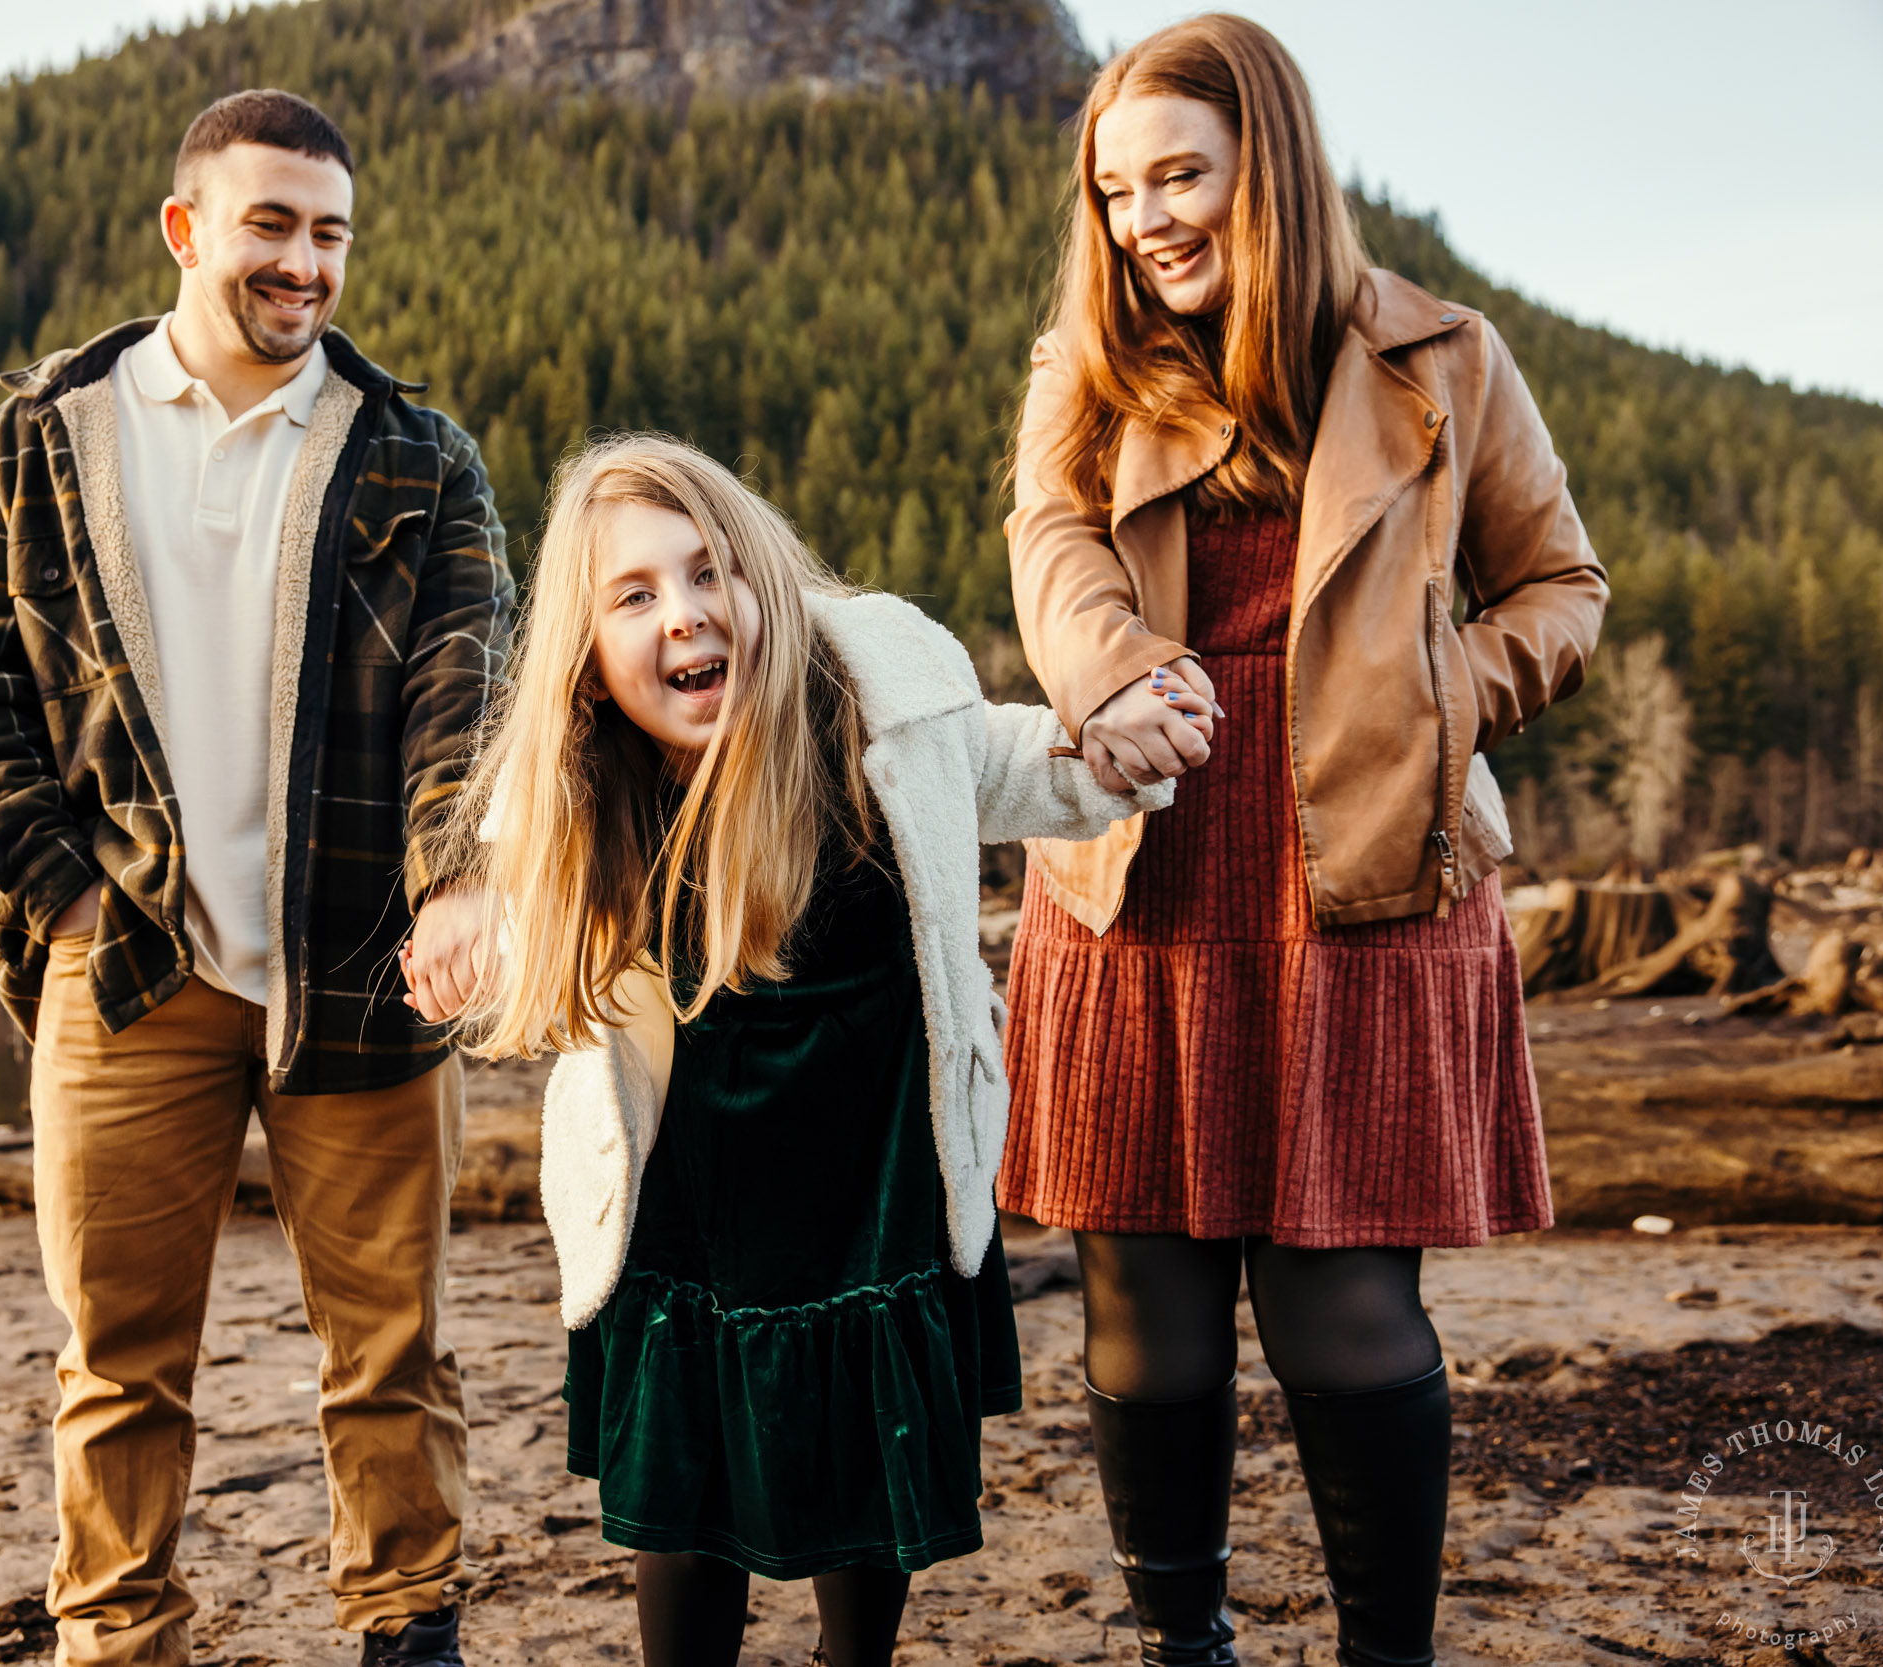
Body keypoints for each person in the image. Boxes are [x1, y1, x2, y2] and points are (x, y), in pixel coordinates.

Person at [996, 17, 1607, 1667]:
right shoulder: (1088, 360)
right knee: (1148, 1308)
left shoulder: (1442, 354)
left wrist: (1439, 691)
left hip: (1368, 868)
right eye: (1119, 192)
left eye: (1180, 175)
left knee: (1344, 1317)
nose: (1148, 221)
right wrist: (1113, 669)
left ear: (1268, 161)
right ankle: (1183, 1646)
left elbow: (1563, 590)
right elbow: (1051, 538)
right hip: (1145, 855)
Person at [0, 89, 510, 1667]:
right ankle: (118, 1633)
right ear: (186, 228)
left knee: (393, 1349)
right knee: (118, 1358)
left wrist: (457, 875)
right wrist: (73, 903)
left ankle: (407, 1628)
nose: (305, 263)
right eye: (272, 225)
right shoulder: (44, 439)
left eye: (330, 234)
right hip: (124, 974)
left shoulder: (414, 454)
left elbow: (470, 683)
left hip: (363, 963)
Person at [403, 435, 1166, 1665]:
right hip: (693, 1184)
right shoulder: (587, 775)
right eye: (635, 595)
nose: (685, 614)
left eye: (709, 573)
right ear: (591, 663)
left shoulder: (875, 704)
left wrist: (1113, 745)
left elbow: (1015, 760)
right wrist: (471, 900)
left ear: (760, 579)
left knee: (861, 1471)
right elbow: (502, 859)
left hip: (871, 1164)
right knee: (689, 1491)